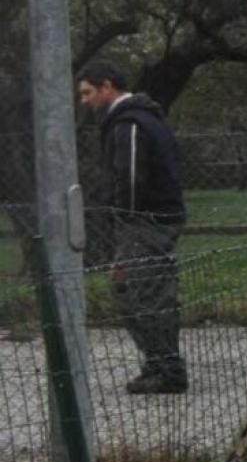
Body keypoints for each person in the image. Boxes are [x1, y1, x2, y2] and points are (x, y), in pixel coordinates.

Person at [77, 60, 187, 394]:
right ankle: (159, 362)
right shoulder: (136, 119)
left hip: (143, 222)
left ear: (107, 86)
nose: (84, 101)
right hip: (145, 221)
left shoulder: (130, 124)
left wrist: (121, 215)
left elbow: (130, 178)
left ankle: (166, 368)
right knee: (135, 291)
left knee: (142, 293)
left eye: (87, 93)